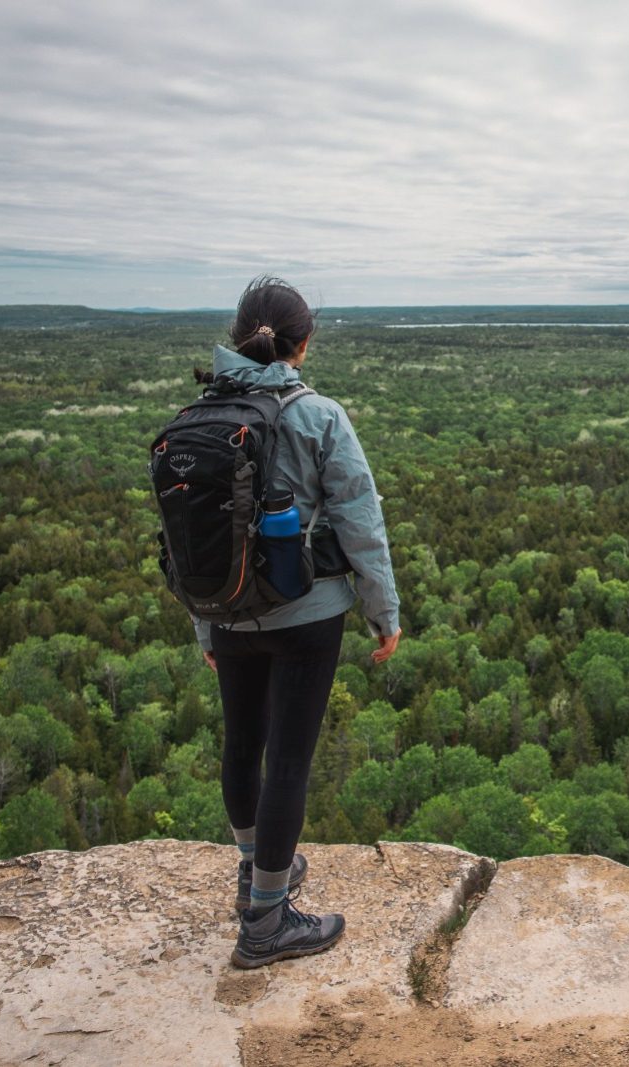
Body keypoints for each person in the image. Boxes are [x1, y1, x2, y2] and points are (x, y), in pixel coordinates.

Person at [191, 276, 401, 969]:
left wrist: (206, 627)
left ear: (239, 336)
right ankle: (268, 922)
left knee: (242, 744)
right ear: (302, 345)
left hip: (227, 611)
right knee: (288, 758)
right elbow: (360, 522)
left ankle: (255, 874)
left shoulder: (202, 415)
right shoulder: (320, 417)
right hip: (308, 614)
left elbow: (192, 540)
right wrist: (383, 613)